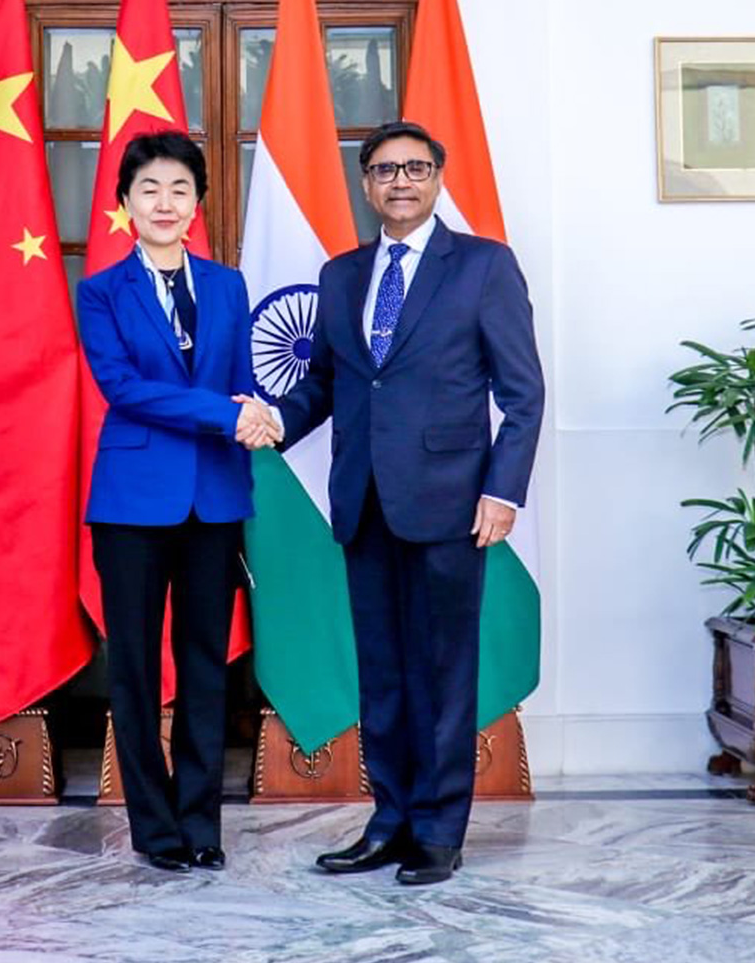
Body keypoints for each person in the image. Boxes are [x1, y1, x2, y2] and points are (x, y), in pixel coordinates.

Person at [249, 119, 545, 885]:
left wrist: (503, 489)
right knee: (380, 673)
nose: (400, 181)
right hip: (364, 504)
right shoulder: (342, 275)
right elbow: (330, 381)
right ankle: (390, 821)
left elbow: (522, 390)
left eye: (415, 168)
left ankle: (440, 832)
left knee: (444, 671)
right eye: (384, 170)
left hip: (454, 505)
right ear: (366, 184)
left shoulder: (483, 266)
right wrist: (279, 419)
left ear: (439, 178)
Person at [76, 130, 278, 874]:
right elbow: (124, 389)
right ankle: (155, 832)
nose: (165, 203)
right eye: (150, 189)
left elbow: (241, 379)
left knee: (205, 665)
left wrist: (254, 411)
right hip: (131, 503)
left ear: (198, 203)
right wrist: (228, 414)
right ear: (125, 202)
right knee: (134, 668)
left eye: (180, 190)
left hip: (216, 496)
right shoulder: (100, 291)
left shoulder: (227, 285)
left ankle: (203, 827)